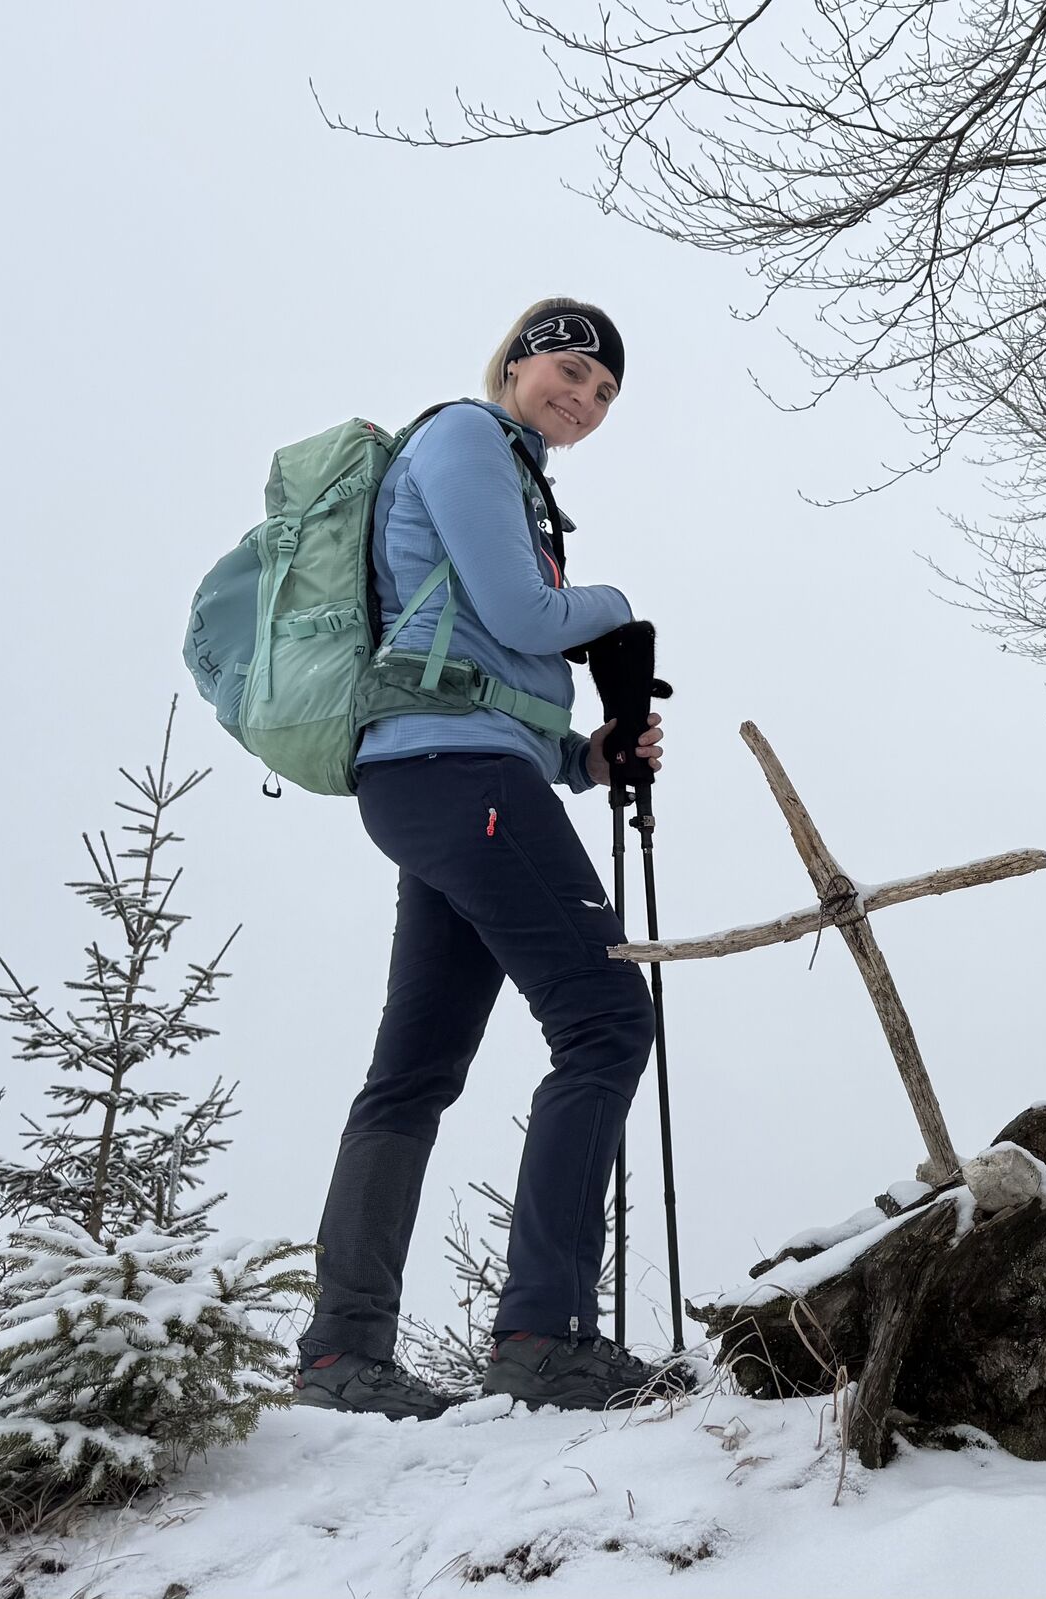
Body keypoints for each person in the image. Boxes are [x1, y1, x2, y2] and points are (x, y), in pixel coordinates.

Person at [294, 297, 677, 1420]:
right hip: (460, 782)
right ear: (516, 361)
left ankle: (342, 1356)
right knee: (605, 1019)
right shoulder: (465, 436)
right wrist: (617, 609)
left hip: (445, 777)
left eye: (605, 393)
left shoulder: (511, 475)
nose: (584, 398)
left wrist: (587, 757)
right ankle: (545, 1338)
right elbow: (521, 612)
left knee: (413, 1073)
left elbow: (481, 661)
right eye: (570, 370)